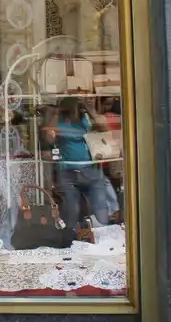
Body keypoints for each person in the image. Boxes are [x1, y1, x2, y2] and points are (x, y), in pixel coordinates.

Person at [47, 96, 119, 233]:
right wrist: (56, 112)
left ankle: (103, 237)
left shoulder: (85, 119)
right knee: (72, 210)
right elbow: (49, 139)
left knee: (100, 209)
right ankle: (72, 238)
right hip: (68, 173)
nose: (74, 111)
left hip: (91, 171)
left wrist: (88, 108)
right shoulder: (59, 121)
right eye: (73, 108)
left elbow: (104, 129)